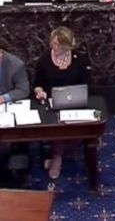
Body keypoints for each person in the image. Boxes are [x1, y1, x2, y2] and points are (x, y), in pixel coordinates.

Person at [33, 26, 90, 179]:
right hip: (51, 103)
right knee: (58, 124)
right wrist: (39, 91)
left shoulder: (79, 59)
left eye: (59, 45)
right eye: (53, 43)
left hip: (75, 102)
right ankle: (58, 157)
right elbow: (37, 84)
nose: (54, 47)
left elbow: (86, 84)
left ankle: (58, 155)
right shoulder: (45, 60)